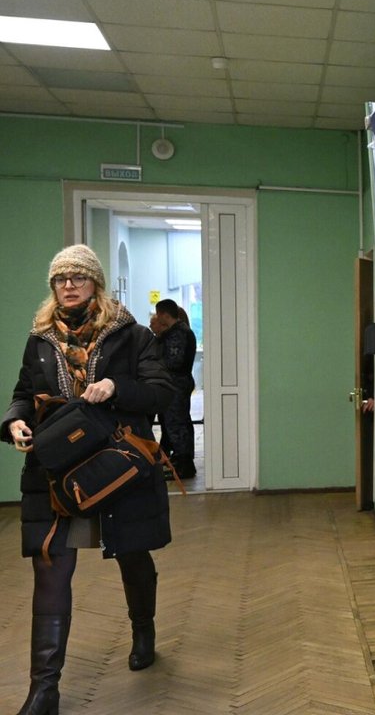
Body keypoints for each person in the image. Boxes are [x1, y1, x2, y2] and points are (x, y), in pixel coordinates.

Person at [2, 244, 175, 715]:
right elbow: (24, 393)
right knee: (50, 567)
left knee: (132, 555)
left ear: (95, 283)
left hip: (118, 467)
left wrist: (117, 387)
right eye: (61, 279)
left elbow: (163, 391)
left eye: (78, 277)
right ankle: (44, 690)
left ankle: (143, 629)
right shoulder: (40, 339)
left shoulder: (132, 334)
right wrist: (15, 421)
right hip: (56, 471)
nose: (69, 285)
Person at [150, 298, 197, 479]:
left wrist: (155, 365)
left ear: (164, 314)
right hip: (174, 384)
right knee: (176, 423)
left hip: (176, 385)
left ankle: (184, 465)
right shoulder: (175, 332)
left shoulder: (179, 333)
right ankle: (179, 460)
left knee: (177, 424)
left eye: (158, 314)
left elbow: (174, 361)